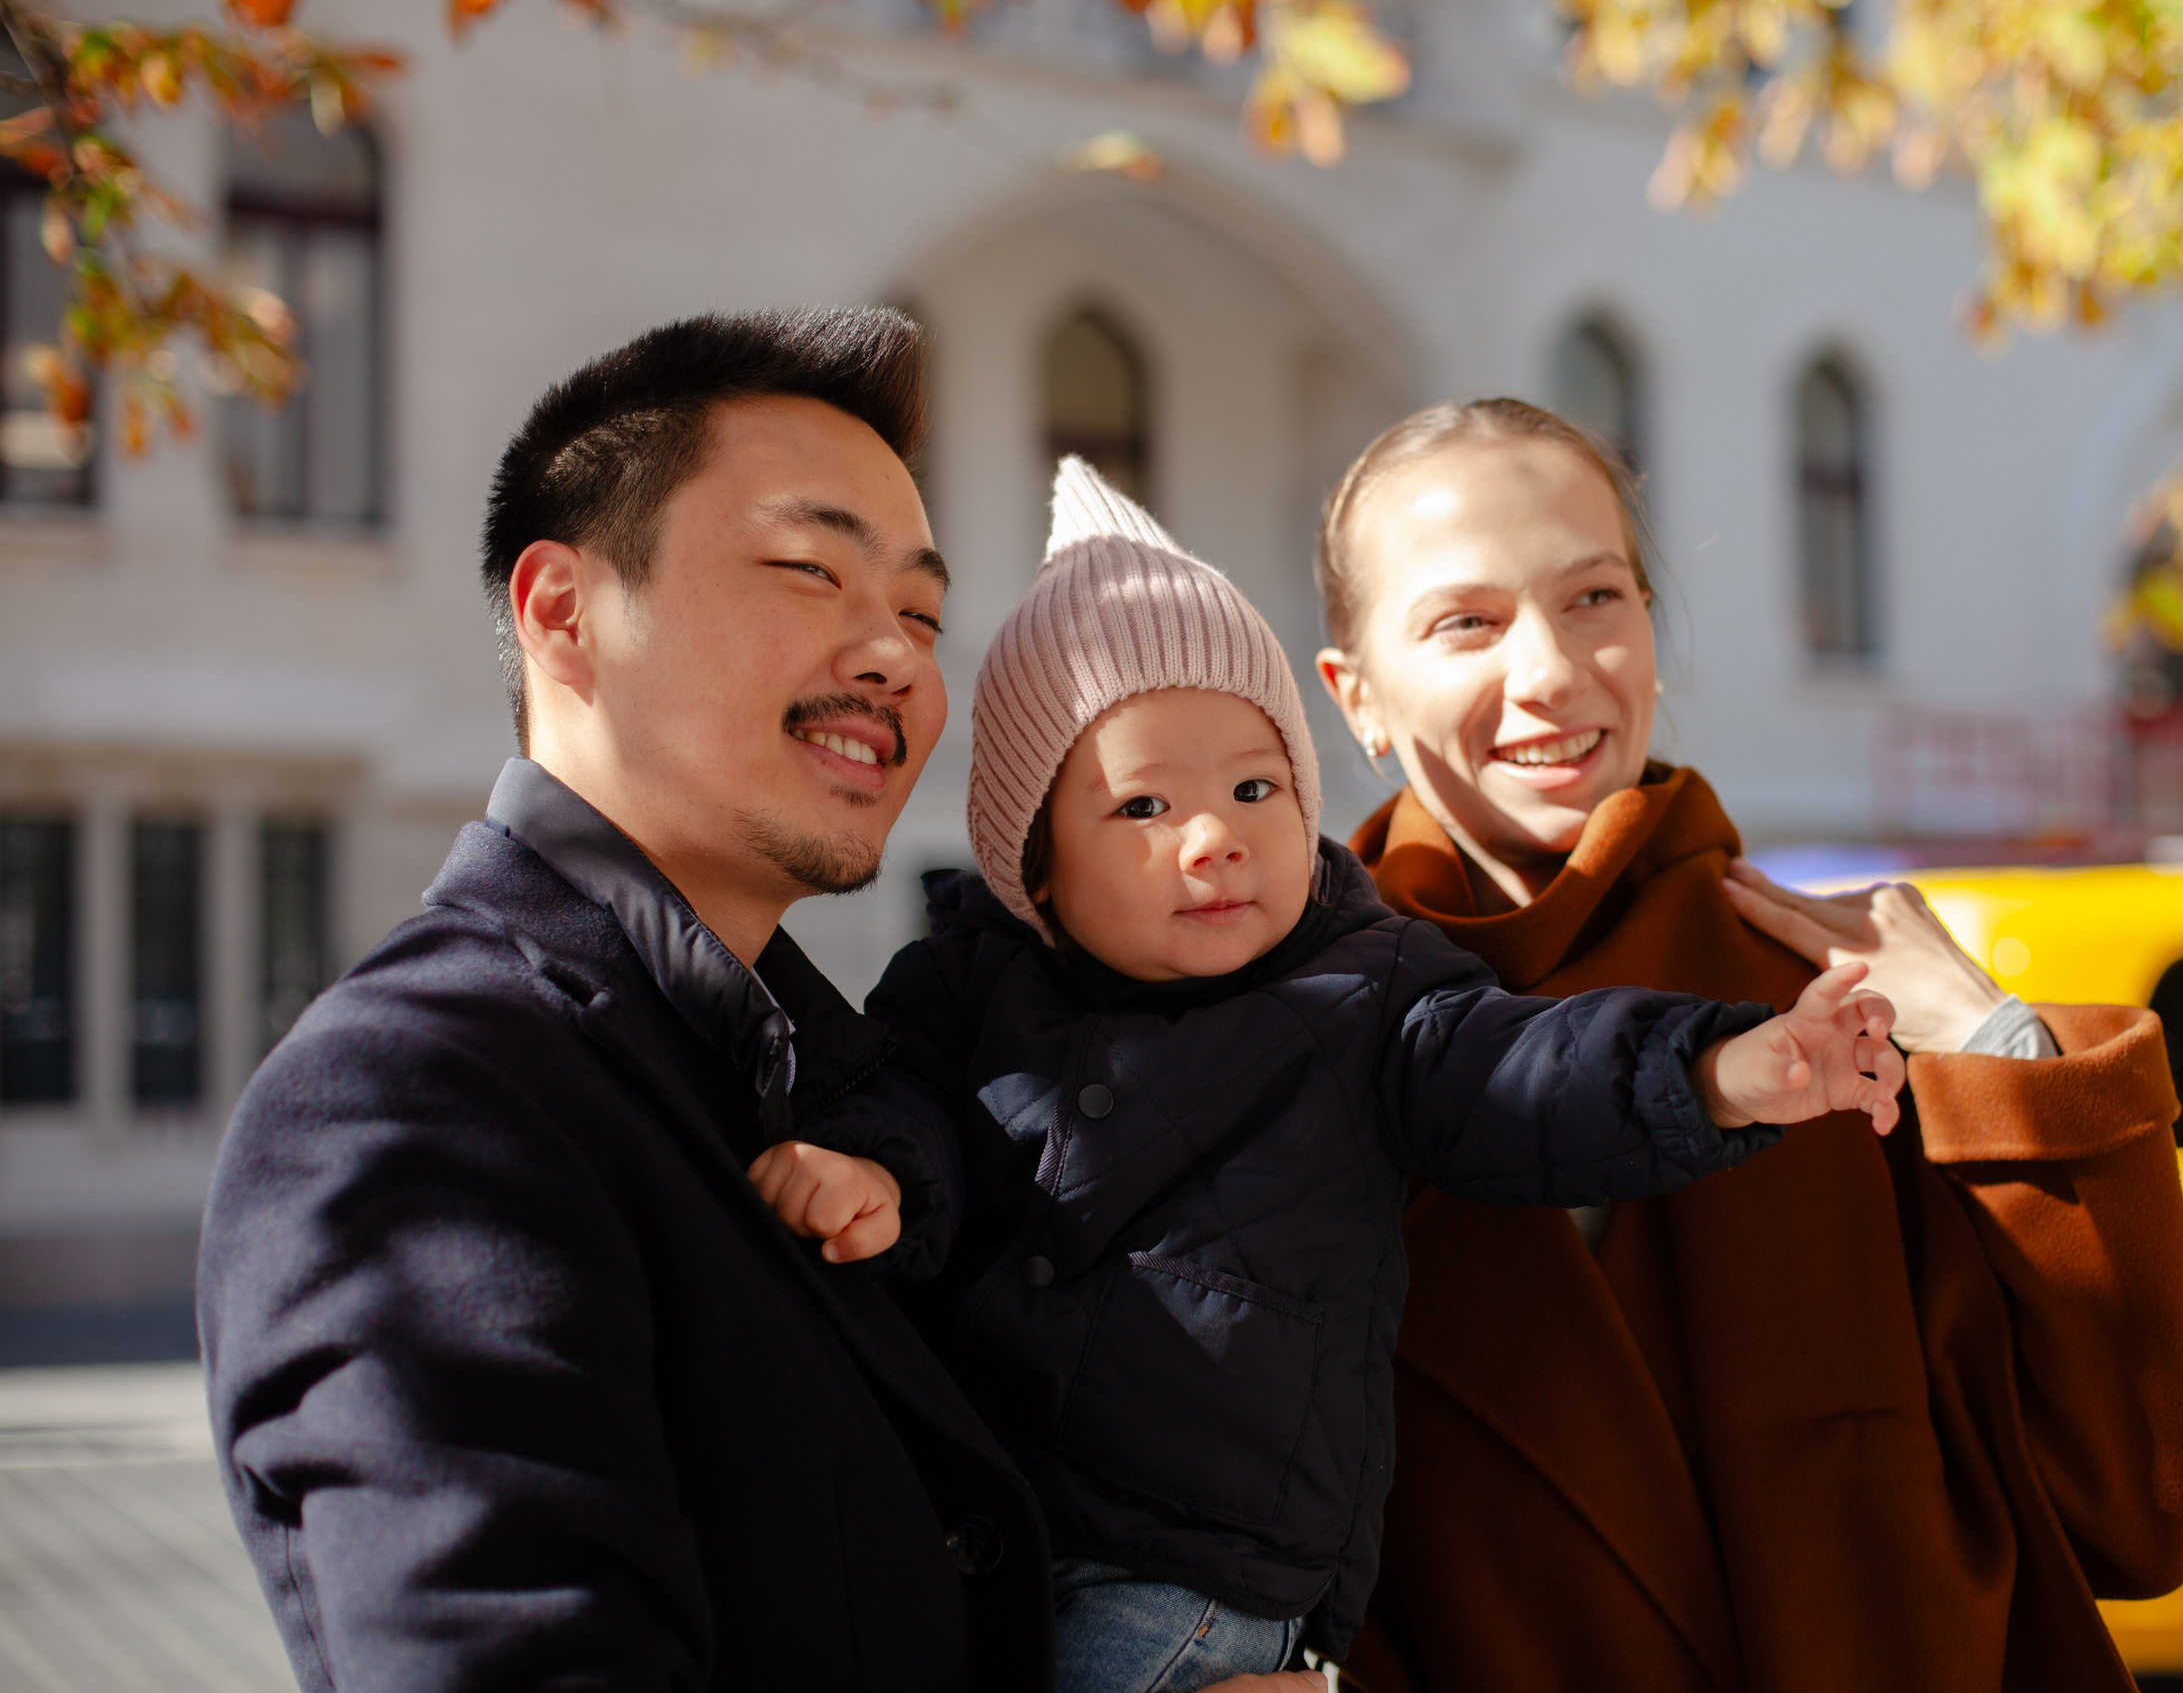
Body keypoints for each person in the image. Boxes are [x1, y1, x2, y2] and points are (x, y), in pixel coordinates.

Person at [196, 311, 1319, 1693]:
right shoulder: (416, 1097)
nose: (898, 655)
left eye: (920, 611)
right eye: (809, 570)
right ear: (565, 613)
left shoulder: (840, 1080)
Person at [743, 457, 1908, 1693]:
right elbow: (902, 1103)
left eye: (1256, 788)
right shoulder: (966, 992)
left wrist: (1725, 1066)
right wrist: (870, 1172)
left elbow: (1525, 1073)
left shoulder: (1366, 988)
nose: (1215, 834)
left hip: (1197, 1583)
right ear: (1033, 863)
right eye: (1141, 807)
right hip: (988, 1535)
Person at [1309, 399, 2183, 1693]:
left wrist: (1997, 1046)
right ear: (1357, 694)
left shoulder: (1837, 993)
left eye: (1595, 597)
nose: (1552, 672)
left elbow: (2144, 1504)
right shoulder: (1291, 1064)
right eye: (1466, 621)